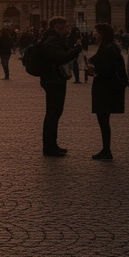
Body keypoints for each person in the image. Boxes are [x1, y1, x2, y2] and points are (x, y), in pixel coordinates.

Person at [36, 17, 83, 157]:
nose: (68, 29)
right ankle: (49, 147)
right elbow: (61, 58)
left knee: (54, 113)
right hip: (53, 80)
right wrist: (76, 50)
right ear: (57, 27)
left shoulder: (53, 39)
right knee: (53, 113)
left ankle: (52, 144)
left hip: (54, 79)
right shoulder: (52, 41)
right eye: (65, 27)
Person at [86, 23, 126, 161]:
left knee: (103, 121)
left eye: (96, 32)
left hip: (105, 90)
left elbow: (107, 69)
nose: (94, 34)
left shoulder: (108, 49)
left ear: (102, 34)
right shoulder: (108, 47)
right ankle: (106, 149)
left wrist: (95, 70)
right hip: (105, 88)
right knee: (103, 121)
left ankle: (107, 150)